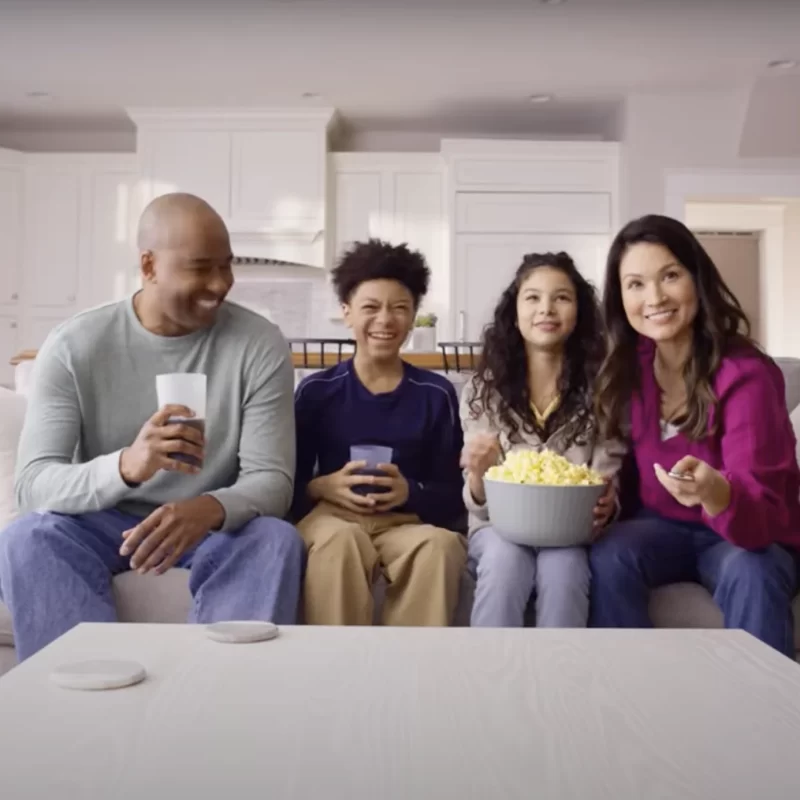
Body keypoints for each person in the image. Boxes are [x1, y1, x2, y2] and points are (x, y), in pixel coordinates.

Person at [0, 192, 305, 661]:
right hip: (105, 521)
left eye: (227, 265)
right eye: (201, 267)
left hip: (211, 526)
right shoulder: (74, 345)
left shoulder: (259, 344)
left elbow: (272, 481)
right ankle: (85, 695)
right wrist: (126, 466)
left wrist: (207, 507)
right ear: (148, 265)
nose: (221, 283)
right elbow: (34, 485)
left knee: (274, 538)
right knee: (26, 538)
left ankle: (221, 693)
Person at [591, 214, 800, 657]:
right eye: (636, 284)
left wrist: (717, 492)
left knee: (754, 572)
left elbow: (764, 506)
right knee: (607, 557)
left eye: (670, 275)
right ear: (620, 296)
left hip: (746, 534)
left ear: (697, 280)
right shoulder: (630, 367)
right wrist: (608, 499)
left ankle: (764, 719)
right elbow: (626, 470)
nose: (655, 298)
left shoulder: (746, 375)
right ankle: (632, 705)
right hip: (660, 528)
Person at [293, 239, 466, 626]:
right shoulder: (316, 391)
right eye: (370, 307)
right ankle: (338, 670)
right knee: (342, 542)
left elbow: (453, 494)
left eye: (400, 308)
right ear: (346, 313)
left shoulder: (435, 395)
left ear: (413, 316)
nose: (385, 320)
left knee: (439, 547)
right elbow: (286, 482)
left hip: (404, 524)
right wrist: (322, 487)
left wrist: (412, 491)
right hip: (331, 520)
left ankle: (412, 674)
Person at [461, 252, 624, 628]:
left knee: (565, 569)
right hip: (497, 529)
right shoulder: (480, 391)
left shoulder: (606, 389)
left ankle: (559, 684)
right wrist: (477, 477)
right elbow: (478, 507)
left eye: (561, 298)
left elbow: (606, 482)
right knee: (505, 563)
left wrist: (607, 504)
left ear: (579, 311)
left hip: (570, 531)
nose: (546, 309)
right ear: (514, 310)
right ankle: (490, 681)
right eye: (532, 297)